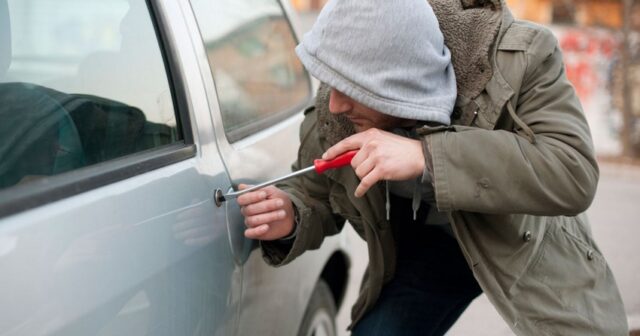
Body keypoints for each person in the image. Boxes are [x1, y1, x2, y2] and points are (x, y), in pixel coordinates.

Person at [237, 0, 628, 335]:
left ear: (396, 82)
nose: (336, 104)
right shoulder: (340, 99)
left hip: (525, 239)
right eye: (332, 85)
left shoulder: (522, 59)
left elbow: (572, 171)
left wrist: (426, 156)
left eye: (350, 90)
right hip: (429, 251)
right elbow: (318, 190)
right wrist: (291, 213)